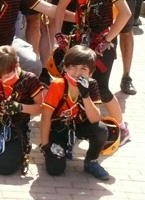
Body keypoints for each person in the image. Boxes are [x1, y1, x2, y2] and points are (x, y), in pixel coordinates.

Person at [50, 0, 132, 143]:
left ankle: (122, 128)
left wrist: (107, 39)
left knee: (101, 88)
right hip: (81, 42)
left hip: (103, 44)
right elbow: (60, 8)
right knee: (74, 83)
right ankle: (77, 123)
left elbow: (125, 13)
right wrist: (58, 33)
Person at [40, 45, 110, 180]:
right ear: (66, 67)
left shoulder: (92, 84)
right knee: (55, 169)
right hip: (58, 128)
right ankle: (60, 148)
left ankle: (91, 161)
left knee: (101, 130)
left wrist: (85, 95)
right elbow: (45, 117)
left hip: (78, 125)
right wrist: (45, 146)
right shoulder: (58, 85)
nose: (77, 73)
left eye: (83, 68)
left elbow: (95, 118)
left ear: (90, 73)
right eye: (73, 67)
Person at [0, 45, 43, 175]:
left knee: (5, 168)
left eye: (7, 75)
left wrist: (20, 107)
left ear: (17, 65)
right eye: (1, 77)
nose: (4, 80)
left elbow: (40, 108)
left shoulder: (30, 80)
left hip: (18, 127)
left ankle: (20, 152)